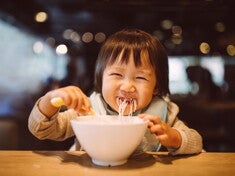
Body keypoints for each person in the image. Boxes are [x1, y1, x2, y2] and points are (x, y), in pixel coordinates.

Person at [28, 29, 202, 155]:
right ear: (101, 78)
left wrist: (174, 138)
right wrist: (51, 99)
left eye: (140, 78)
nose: (127, 87)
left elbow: (196, 141)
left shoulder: (165, 113)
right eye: (117, 74)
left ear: (156, 86)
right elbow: (41, 130)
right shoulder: (88, 110)